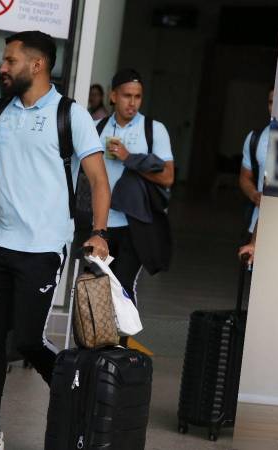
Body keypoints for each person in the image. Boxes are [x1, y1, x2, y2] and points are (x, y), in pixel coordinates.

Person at [0, 31, 110, 450]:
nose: (2, 68)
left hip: (41, 246)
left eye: (10, 61)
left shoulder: (69, 115)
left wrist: (99, 232)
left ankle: (73, 389)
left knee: (25, 339)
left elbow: (98, 180)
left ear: (37, 65)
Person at [96, 68, 174, 309]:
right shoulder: (96, 128)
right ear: (113, 96)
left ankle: (120, 346)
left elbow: (168, 177)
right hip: (101, 223)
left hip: (135, 223)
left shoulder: (154, 129)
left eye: (137, 97)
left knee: (123, 285)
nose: (132, 103)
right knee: (98, 285)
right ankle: (96, 344)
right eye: (126, 96)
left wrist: (129, 158)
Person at [239, 87, 274, 238]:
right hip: (256, 226)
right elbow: (245, 177)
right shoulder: (256, 138)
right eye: (271, 102)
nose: (274, 107)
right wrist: (254, 195)